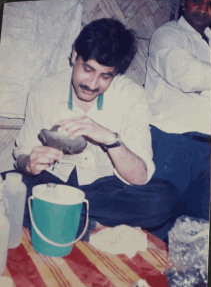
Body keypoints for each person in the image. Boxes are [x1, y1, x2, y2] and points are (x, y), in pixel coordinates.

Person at [2, 18, 179, 242]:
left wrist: (110, 139)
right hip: (53, 184)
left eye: (105, 76)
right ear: (74, 55)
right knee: (4, 188)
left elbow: (140, 177)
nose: (93, 84)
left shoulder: (133, 96)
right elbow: (21, 154)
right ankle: (92, 225)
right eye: (88, 69)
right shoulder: (43, 91)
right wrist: (30, 162)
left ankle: (58, 217)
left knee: (164, 198)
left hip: (105, 190)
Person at [144, 0, 211, 221]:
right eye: (198, 1)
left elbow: (200, 78)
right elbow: (188, 76)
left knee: (197, 227)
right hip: (172, 145)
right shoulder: (167, 35)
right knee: (156, 221)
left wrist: (204, 86)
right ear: (184, 1)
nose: (204, 10)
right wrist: (198, 83)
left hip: (208, 152)